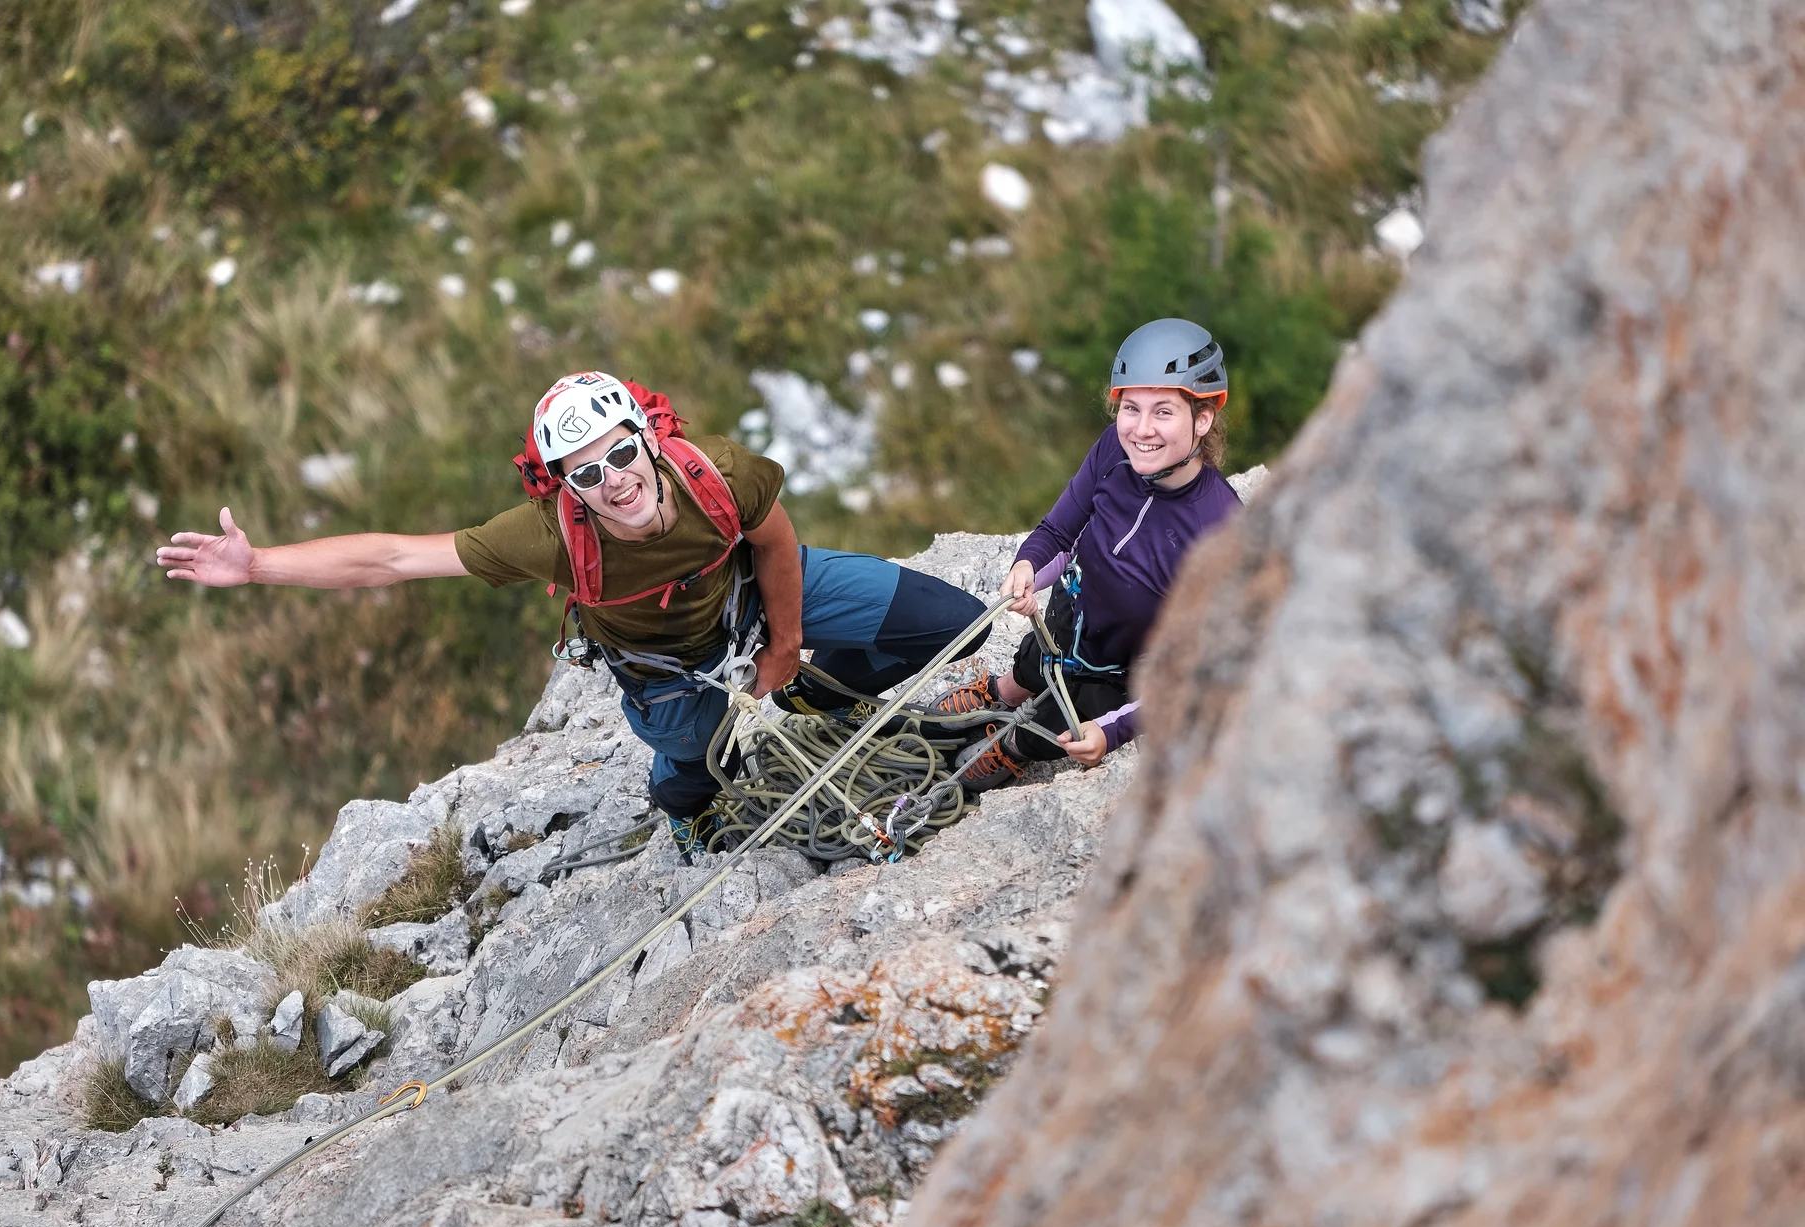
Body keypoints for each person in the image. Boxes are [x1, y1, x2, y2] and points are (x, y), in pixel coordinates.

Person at [157, 371, 989, 863]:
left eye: (622, 453)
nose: (614, 480)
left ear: (648, 439)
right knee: (703, 763)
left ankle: (818, 695)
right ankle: (681, 801)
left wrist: (786, 645)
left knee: (958, 624)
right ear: (565, 485)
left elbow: (773, 540)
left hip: (747, 599)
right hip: (669, 670)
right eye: (586, 473)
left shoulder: (717, 473)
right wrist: (258, 566)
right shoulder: (550, 536)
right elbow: (396, 558)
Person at [932, 319, 1243, 790]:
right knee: (1035, 660)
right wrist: (1027, 567)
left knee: (1057, 727)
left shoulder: (1219, 529)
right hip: (1070, 617)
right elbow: (1060, 531)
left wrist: (1113, 731)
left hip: (1122, 673)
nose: (1141, 430)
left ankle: (1011, 747)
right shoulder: (1113, 450)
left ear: (1202, 420)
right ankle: (1000, 694)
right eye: (1131, 408)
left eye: (1163, 412)